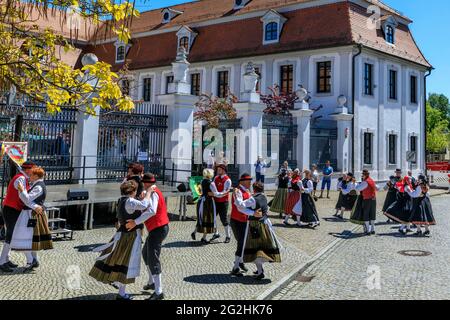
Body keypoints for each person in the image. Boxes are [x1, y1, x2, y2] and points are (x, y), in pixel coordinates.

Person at [89, 180, 153, 300]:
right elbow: (144, 205)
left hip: (123, 234)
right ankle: (121, 292)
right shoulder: (130, 201)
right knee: (126, 262)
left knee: (119, 259)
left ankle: (117, 283)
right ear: (132, 191)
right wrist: (149, 192)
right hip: (131, 236)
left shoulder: (122, 200)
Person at [126, 173, 170, 300]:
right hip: (156, 228)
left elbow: (152, 211)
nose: (142, 185)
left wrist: (136, 222)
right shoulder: (150, 192)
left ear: (146, 183)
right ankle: (152, 282)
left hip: (159, 228)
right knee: (146, 254)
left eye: (143, 183)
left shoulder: (154, 193)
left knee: (153, 258)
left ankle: (159, 291)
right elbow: (146, 206)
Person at [234, 182, 281, 280]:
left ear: (254, 189)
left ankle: (260, 272)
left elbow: (241, 205)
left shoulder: (253, 199)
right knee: (260, 247)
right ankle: (259, 270)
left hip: (255, 226)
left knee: (255, 248)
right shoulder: (264, 197)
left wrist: (238, 196)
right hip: (265, 224)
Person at [10, 167, 52, 271]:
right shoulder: (36, 185)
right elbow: (26, 200)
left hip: (31, 214)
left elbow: (27, 199)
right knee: (28, 239)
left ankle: (31, 260)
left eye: (32, 174)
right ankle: (33, 260)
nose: (30, 176)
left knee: (23, 238)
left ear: (37, 176)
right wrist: (23, 192)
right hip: (29, 213)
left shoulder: (39, 187)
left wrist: (22, 190)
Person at [0, 161, 35, 273]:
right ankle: (2, 262)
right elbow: (24, 197)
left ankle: (5, 259)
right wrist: (35, 206)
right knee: (10, 234)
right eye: (32, 170)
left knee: (12, 234)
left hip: (13, 208)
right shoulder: (20, 179)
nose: (33, 172)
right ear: (27, 170)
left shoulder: (22, 178)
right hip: (11, 209)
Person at [229, 173, 253, 277]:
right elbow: (239, 206)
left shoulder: (247, 191)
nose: (250, 183)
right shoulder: (237, 191)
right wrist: (253, 212)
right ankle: (235, 268)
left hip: (245, 220)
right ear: (243, 181)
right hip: (237, 220)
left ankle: (240, 262)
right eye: (248, 181)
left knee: (243, 243)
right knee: (241, 243)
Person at [191, 169, 216, 244]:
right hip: (208, 202)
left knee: (201, 218)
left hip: (201, 200)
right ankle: (203, 237)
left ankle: (195, 232)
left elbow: (201, 191)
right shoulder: (211, 183)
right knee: (208, 218)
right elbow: (214, 193)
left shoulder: (202, 181)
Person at [349, 169, 378, 235]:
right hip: (373, 199)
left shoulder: (365, 182)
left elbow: (358, 188)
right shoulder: (372, 180)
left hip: (367, 199)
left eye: (362, 175)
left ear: (364, 175)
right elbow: (377, 188)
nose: (362, 176)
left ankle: (368, 230)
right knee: (372, 213)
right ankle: (373, 229)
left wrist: (354, 183)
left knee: (366, 214)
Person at [210, 164, 232, 243]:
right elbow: (213, 188)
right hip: (215, 201)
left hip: (223, 202)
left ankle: (228, 236)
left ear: (223, 170)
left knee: (224, 219)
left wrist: (215, 194)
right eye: (217, 169)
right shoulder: (216, 178)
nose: (217, 170)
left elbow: (224, 193)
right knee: (212, 218)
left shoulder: (227, 180)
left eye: (219, 169)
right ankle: (216, 233)